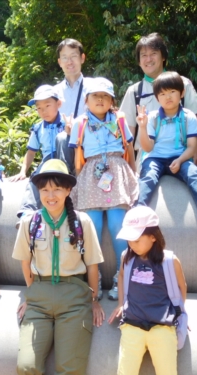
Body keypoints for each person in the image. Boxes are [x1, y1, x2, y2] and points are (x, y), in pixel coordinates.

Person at [12, 159, 105, 375]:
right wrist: (32, 295)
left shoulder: (82, 222)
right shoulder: (30, 221)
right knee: (26, 366)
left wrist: (93, 300)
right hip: (39, 298)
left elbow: (92, 265)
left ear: (67, 190)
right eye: (45, 189)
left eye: (57, 188)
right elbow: (25, 263)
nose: (50, 195)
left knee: (69, 373)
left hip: (75, 296)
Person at [108, 205, 187, 375]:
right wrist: (122, 303)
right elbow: (121, 278)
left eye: (137, 238)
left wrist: (180, 314)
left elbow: (182, 289)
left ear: (153, 236)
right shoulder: (127, 258)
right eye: (129, 238)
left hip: (161, 328)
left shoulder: (169, 260)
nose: (131, 243)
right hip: (132, 326)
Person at [68, 77, 138, 301]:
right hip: (91, 173)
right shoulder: (80, 123)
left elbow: (128, 147)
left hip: (116, 171)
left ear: (112, 100)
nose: (100, 99)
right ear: (86, 100)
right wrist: (78, 181)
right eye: (95, 95)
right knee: (92, 228)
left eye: (105, 96)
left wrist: (134, 174)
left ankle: (122, 278)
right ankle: (93, 280)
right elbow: (76, 155)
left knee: (119, 225)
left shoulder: (119, 119)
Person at [136, 71, 197, 228]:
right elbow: (148, 148)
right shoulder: (153, 117)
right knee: (148, 177)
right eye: (162, 94)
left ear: (182, 93)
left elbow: (191, 147)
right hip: (155, 158)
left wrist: (180, 160)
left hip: (180, 156)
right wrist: (142, 127)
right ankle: (138, 211)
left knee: (194, 174)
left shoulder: (189, 116)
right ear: (157, 98)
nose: (167, 97)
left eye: (172, 92)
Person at [119, 32, 197, 169]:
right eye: (144, 55)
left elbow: (193, 120)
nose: (148, 59)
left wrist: (195, 153)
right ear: (139, 61)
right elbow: (127, 133)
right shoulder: (134, 92)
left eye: (153, 53)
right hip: (146, 161)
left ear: (163, 56)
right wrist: (129, 165)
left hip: (180, 159)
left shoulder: (183, 84)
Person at [8, 85, 74, 220]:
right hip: (47, 162)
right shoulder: (38, 128)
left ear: (58, 103)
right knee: (34, 179)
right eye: (39, 108)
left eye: (47, 105)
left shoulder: (66, 123)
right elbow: (31, 152)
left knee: (62, 138)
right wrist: (22, 171)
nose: (43, 111)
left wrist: (70, 131)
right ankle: (26, 213)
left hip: (64, 160)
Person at [54, 38, 92, 126]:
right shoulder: (54, 93)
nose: (69, 62)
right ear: (59, 62)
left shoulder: (94, 88)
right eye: (65, 57)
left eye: (73, 56)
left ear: (82, 58)